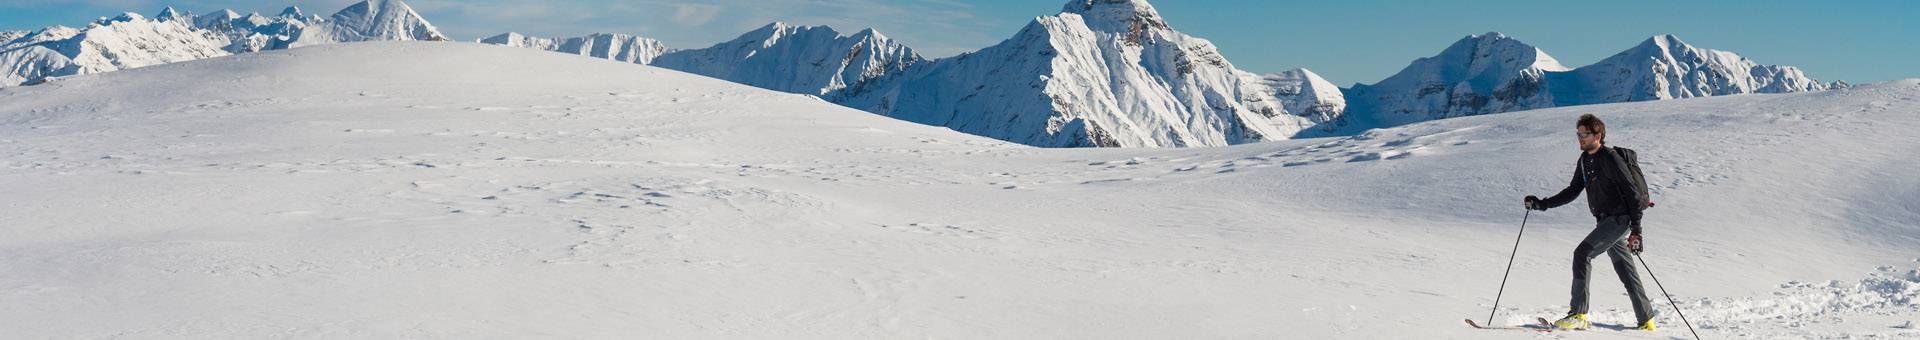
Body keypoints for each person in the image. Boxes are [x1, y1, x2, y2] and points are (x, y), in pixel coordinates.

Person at [1524, 114, 1656, 331]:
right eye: (1578, 134)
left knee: (1582, 253)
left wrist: (1636, 231)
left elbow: (1632, 193)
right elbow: (1572, 191)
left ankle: (1578, 314)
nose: (1580, 138)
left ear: (1598, 135)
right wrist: (1541, 204)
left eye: (1585, 134)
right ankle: (1647, 319)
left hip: (1619, 219)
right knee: (1624, 268)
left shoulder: (1610, 158)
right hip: (1605, 221)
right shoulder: (1585, 160)